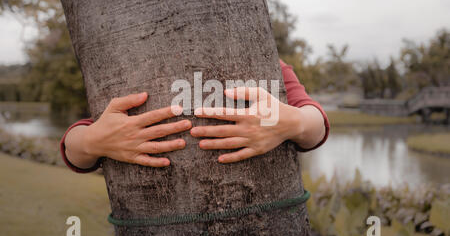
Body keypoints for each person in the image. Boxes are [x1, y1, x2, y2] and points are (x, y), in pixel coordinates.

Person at [60, 60, 330, 173]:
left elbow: (315, 122)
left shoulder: (269, 63)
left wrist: (291, 122)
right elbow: (75, 146)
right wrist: (91, 142)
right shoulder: (131, 64)